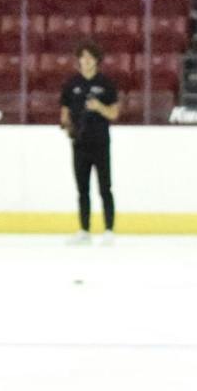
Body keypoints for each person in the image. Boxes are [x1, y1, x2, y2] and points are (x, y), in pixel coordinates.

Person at [58, 40, 119, 243]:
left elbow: (114, 113)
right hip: (79, 143)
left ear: (96, 60)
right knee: (82, 188)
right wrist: (68, 127)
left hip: (100, 142)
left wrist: (99, 107)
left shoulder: (106, 84)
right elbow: (64, 112)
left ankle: (109, 229)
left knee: (105, 188)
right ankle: (84, 230)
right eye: (82, 57)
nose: (86, 61)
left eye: (90, 57)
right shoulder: (71, 84)